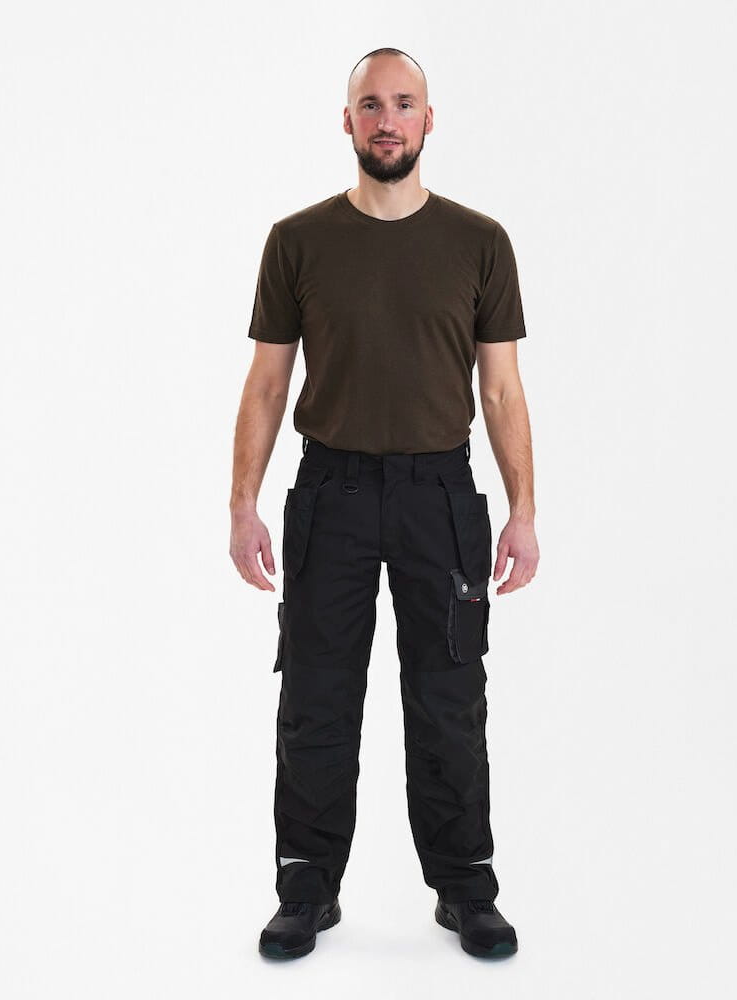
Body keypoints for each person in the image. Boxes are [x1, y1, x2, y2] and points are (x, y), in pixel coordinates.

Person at [230, 47, 538, 960]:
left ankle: (465, 887)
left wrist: (523, 510)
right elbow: (266, 385)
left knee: (449, 699)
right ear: (348, 121)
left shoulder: (480, 242)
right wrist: (243, 503)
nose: (388, 120)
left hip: (440, 497)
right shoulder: (298, 240)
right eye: (371, 104)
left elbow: (502, 391)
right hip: (330, 494)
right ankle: (306, 888)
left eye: (405, 104)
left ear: (429, 120)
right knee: (316, 698)